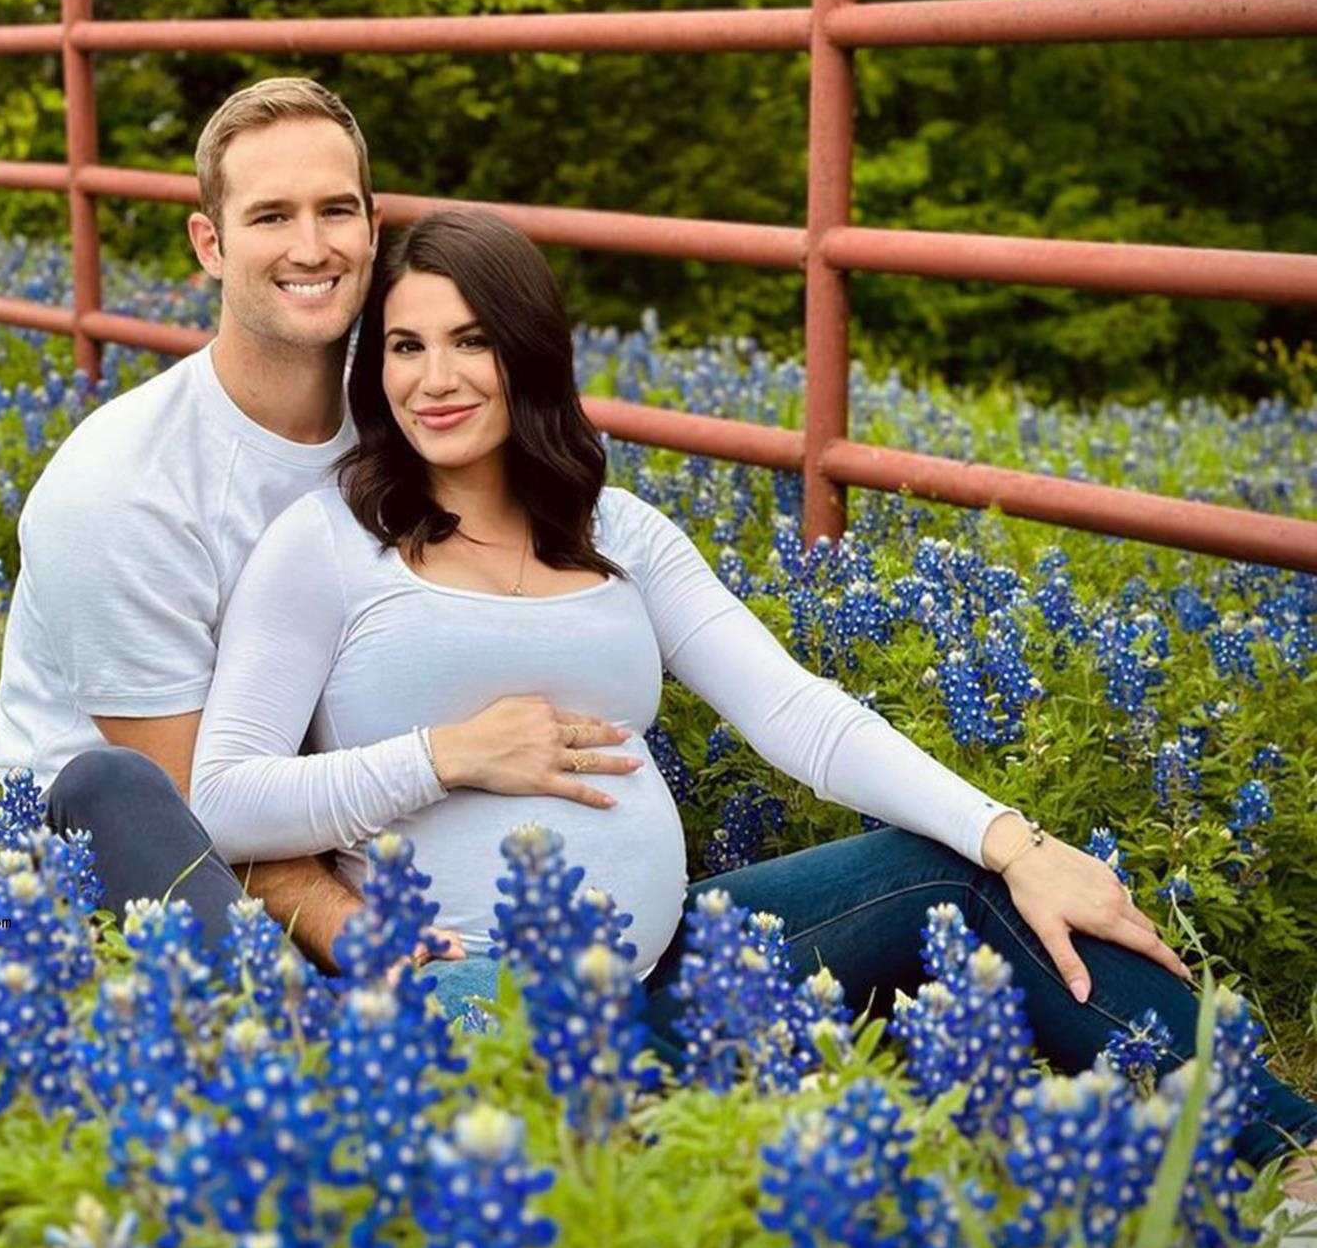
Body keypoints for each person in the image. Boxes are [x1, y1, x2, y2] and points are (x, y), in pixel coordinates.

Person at [188, 206, 1317, 1174]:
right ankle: (647, 1127)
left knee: (954, 871)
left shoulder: (618, 533)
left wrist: (1016, 840)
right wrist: (445, 755)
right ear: (373, 368)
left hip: (680, 971)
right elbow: (222, 799)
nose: (435, 379)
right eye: (403, 346)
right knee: (548, 1138)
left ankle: (1286, 1159)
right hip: (474, 1001)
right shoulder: (327, 543)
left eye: (471, 341)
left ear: (528, 352)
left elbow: (798, 714)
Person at [0, 76, 384, 967]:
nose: (311, 246)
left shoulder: (408, 435)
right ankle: (329, 1047)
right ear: (210, 242)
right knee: (113, 789)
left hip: (342, 827)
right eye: (271, 216)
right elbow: (209, 809)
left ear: (373, 230)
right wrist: (390, 952)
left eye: (336, 211)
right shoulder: (122, 483)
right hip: (113, 856)